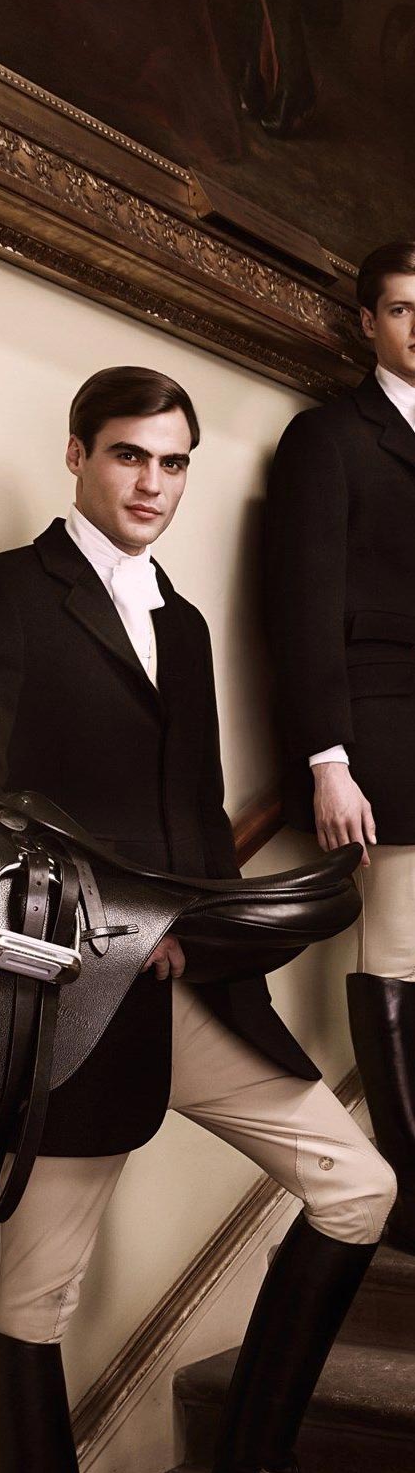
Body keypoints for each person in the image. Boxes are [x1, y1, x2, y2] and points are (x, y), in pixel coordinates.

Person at [0, 364, 399, 1473]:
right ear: (79, 456)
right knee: (33, 1304)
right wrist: (116, 923)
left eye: (172, 461)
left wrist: (217, 923)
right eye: (127, 455)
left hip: (192, 985)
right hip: (63, 1012)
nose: (151, 483)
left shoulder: (187, 621)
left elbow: (197, 813)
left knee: (359, 1187)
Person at [265, 238, 415, 1253]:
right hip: (385, 729)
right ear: (368, 322)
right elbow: (302, 607)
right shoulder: (327, 437)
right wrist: (328, 757)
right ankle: (412, 1189)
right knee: (398, 946)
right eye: (402, 308)